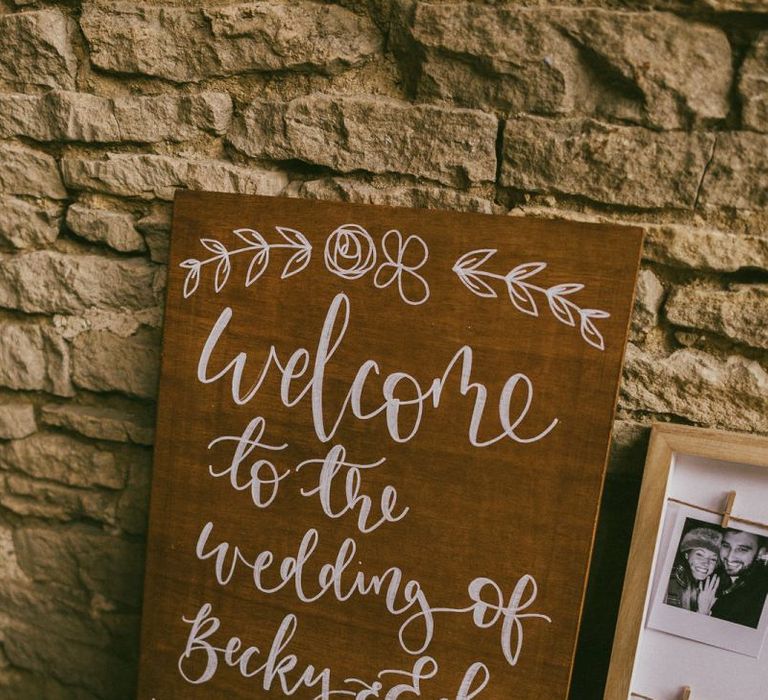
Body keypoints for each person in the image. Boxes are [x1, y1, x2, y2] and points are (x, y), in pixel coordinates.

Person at [710, 529, 768, 628]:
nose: (730, 557)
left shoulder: (762, 593)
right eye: (726, 546)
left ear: (760, 553)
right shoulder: (709, 572)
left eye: (742, 549)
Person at [666, 526, 722, 614]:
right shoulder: (673, 580)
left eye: (713, 559)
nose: (706, 563)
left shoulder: (705, 591)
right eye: (699, 554)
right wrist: (703, 611)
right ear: (686, 555)